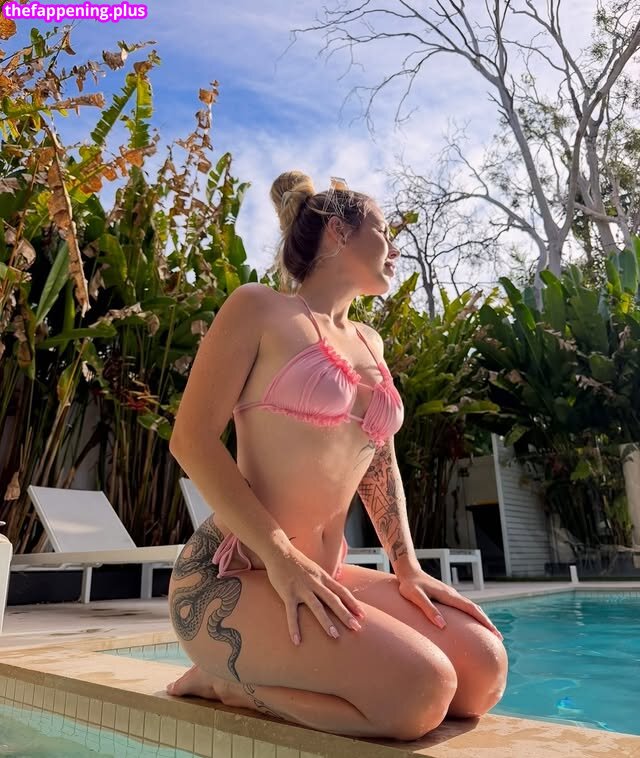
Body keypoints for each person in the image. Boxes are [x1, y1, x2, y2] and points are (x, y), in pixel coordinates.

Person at [166, 171, 507, 741]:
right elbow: (191, 440)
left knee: (482, 671)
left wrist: (406, 567)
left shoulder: (370, 341)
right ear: (338, 232)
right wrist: (279, 555)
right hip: (233, 578)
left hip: (323, 573)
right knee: (418, 693)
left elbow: (378, 462)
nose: (394, 247)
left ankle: (269, 670)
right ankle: (225, 681)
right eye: (383, 230)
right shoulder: (259, 309)